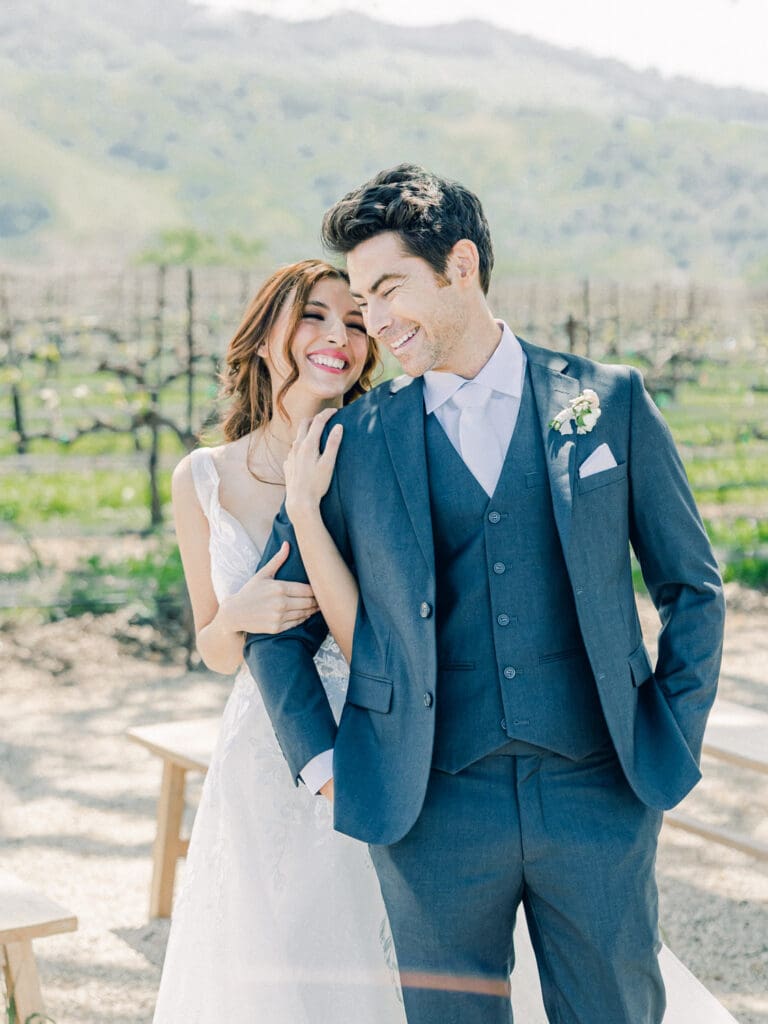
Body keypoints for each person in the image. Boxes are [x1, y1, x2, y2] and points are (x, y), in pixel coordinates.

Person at [244, 166, 726, 1024]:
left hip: (598, 793)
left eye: (389, 289)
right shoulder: (353, 438)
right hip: (428, 811)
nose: (376, 322)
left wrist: (671, 732)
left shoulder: (606, 401)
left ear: (460, 265)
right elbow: (274, 628)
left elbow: (692, 586)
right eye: (362, 299)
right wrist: (326, 766)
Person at [153, 259, 406, 1024]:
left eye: (356, 323)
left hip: (369, 729)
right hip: (260, 748)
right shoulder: (202, 478)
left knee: (371, 945)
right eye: (315, 316)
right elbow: (213, 648)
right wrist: (239, 614)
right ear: (269, 334)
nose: (338, 337)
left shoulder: (383, 447)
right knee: (271, 957)